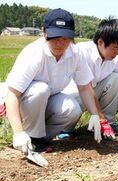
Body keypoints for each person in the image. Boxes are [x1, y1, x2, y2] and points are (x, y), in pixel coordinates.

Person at [4, 8, 103, 154]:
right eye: (55, 38)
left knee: (72, 109)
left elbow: (84, 88)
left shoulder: (75, 54)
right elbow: (12, 94)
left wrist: (95, 114)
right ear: (44, 32)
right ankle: (27, 136)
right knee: (40, 89)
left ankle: (37, 139)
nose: (60, 44)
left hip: (48, 100)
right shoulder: (34, 54)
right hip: (24, 103)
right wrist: (18, 132)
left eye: (65, 39)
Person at [63, 16, 118, 139]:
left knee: (116, 79)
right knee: (71, 112)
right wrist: (101, 118)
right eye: (115, 48)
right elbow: (87, 89)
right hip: (75, 96)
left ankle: (108, 123)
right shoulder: (82, 52)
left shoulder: (115, 59)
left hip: (92, 94)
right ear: (100, 42)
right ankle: (65, 129)